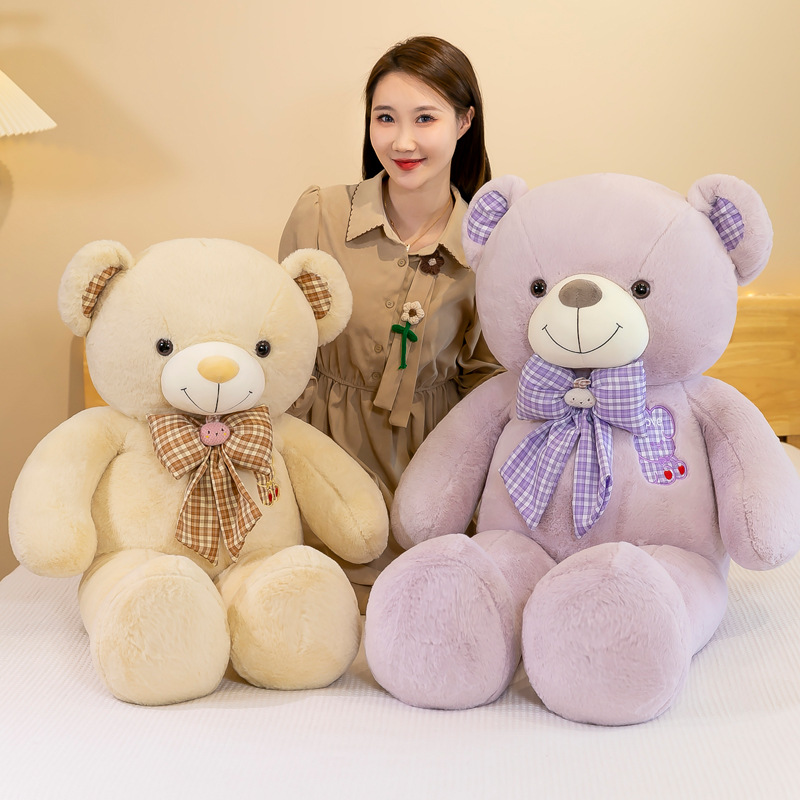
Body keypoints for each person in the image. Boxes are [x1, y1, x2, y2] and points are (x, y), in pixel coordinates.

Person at [279, 35, 501, 609]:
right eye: (385, 118)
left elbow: (487, 383)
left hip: (431, 482)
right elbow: (279, 346)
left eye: (425, 118)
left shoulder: (491, 246)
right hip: (320, 470)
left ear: (464, 121)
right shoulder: (319, 214)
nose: (402, 141)